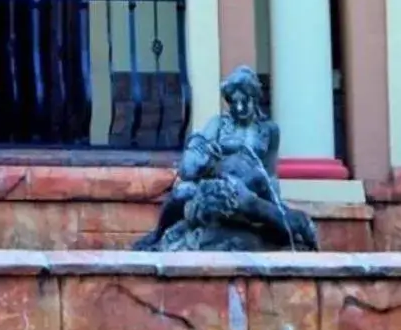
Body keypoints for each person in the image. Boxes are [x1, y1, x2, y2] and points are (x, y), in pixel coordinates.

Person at [134, 65, 318, 252]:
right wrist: (206, 157)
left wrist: (276, 202)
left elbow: (270, 173)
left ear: (254, 98)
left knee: (262, 212)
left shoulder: (269, 130)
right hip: (217, 183)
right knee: (181, 192)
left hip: (249, 188)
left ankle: (286, 231)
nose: (239, 108)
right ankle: (158, 234)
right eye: (234, 103)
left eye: (244, 101)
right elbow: (189, 166)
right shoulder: (218, 124)